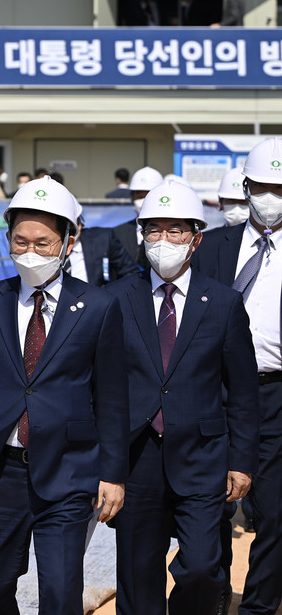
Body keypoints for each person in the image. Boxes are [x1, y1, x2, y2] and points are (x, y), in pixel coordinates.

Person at [0, 176, 129, 615]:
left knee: (60, 593)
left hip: (70, 472)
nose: (30, 252)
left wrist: (113, 474)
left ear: (67, 241)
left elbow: (113, 398)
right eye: (20, 241)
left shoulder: (97, 307)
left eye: (43, 243)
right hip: (2, 472)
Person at [111, 181, 259, 615]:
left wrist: (241, 460)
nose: (164, 240)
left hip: (202, 456)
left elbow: (243, 392)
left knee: (201, 568)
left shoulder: (225, 303)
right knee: (138, 576)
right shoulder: (115, 299)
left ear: (196, 238)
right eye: (154, 230)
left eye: (176, 230)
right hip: (136, 459)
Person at [191, 137, 282, 615]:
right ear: (246, 187)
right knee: (208, 507)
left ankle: (260, 607)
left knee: (272, 512)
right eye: (263, 187)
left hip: (275, 395)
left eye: (280, 188)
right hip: (211, 393)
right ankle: (210, 595)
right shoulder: (213, 247)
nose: (271, 198)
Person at [70, 203, 138, 286]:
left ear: (80, 223)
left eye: (74, 224)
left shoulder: (103, 239)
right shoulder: (52, 246)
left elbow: (130, 273)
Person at [111, 166, 164, 265]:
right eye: (139, 196)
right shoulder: (118, 233)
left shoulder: (172, 234)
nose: (143, 201)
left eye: (148, 195)